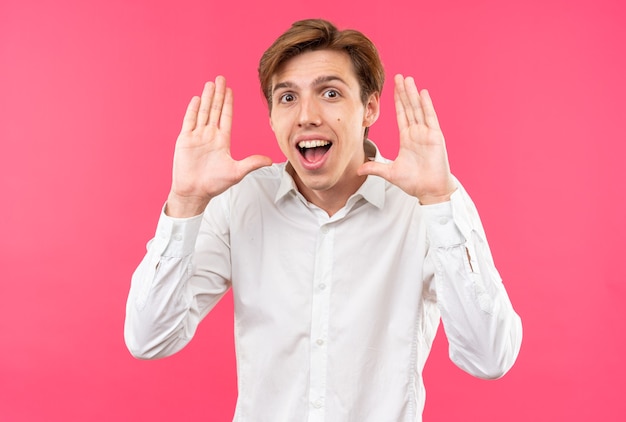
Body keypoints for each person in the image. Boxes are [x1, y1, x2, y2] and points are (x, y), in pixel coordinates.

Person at [124, 18, 522, 421]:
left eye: (330, 93)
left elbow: (490, 357)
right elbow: (148, 338)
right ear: (272, 116)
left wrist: (439, 202)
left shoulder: (426, 203)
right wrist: (186, 201)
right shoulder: (240, 201)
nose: (307, 116)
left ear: (369, 108)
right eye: (287, 98)